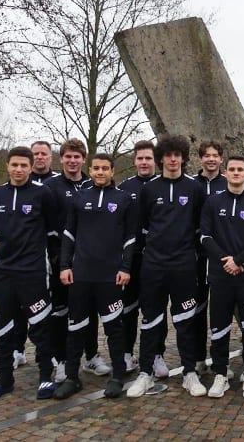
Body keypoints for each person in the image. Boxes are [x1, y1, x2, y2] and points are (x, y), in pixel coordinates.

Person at [127, 135, 208, 398]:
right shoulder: (149, 189)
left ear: (183, 158)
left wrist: (194, 258)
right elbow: (141, 227)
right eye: (168, 155)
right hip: (153, 265)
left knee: (186, 321)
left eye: (177, 155)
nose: (173, 159)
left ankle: (189, 373)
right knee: (151, 319)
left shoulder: (195, 188)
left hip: (184, 265)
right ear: (161, 158)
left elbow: (201, 227)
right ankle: (145, 373)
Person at [53, 153, 136, 400]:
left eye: (105, 168)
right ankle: (71, 377)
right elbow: (68, 234)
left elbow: (130, 238)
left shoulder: (123, 199)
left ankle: (117, 376)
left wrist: (126, 268)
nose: (100, 172)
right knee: (76, 327)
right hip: (81, 275)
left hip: (111, 277)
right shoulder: (79, 198)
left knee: (114, 329)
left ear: (112, 171)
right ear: (90, 170)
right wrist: (65, 266)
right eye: (96, 168)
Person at [0, 146, 58, 401]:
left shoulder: (43, 193)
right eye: (14, 165)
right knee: (4, 326)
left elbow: (52, 229)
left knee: (40, 326)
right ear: (7, 166)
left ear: (31, 167)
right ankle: (5, 380)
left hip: (33, 271)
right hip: (3, 271)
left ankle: (46, 377)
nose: (19, 169)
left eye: (24, 165)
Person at [199, 155, 244, 398]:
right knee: (219, 326)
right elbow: (205, 236)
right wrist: (226, 260)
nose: (236, 173)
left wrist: (238, 260)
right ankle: (220, 373)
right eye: (232, 169)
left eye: (240, 169)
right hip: (220, 276)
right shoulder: (212, 202)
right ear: (225, 172)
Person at [44, 139, 106, 382]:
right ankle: (61, 360)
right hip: (61, 261)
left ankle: (91, 356)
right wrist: (58, 259)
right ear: (61, 158)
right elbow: (46, 226)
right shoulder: (51, 186)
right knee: (60, 313)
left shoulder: (93, 184)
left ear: (84, 159)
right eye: (68, 156)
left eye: (77, 157)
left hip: (89, 262)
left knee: (88, 311)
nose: (72, 161)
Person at [118, 140, 169, 377]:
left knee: (156, 309)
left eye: (148, 158)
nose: (144, 162)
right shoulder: (124, 188)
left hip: (157, 258)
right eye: (140, 158)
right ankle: (126, 353)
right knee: (128, 309)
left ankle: (157, 354)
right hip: (131, 259)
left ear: (155, 161)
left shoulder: (164, 185)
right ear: (135, 160)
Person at [13, 140, 60, 370]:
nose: (40, 157)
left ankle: (46, 352)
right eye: (36, 154)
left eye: (44, 154)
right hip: (19, 258)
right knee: (19, 306)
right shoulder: (18, 182)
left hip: (49, 256)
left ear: (50, 157)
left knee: (46, 307)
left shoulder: (57, 182)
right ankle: (17, 350)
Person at [193, 140, 227, 376]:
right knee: (198, 309)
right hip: (196, 256)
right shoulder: (191, 184)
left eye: (215, 155)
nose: (211, 159)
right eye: (207, 155)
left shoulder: (228, 183)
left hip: (222, 257)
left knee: (220, 310)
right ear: (201, 159)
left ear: (221, 158)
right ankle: (197, 357)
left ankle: (219, 358)